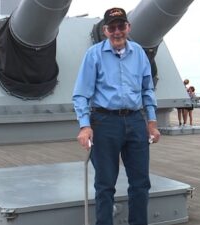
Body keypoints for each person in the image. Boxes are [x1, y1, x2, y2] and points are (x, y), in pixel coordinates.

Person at [72, 7, 161, 225]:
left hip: (134, 121)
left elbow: (147, 90)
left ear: (128, 28)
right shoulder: (93, 55)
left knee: (141, 183)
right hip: (104, 123)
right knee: (105, 185)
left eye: (121, 26)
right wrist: (85, 126)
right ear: (105, 31)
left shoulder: (139, 53)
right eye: (112, 28)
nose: (117, 32)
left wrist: (151, 122)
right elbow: (81, 94)